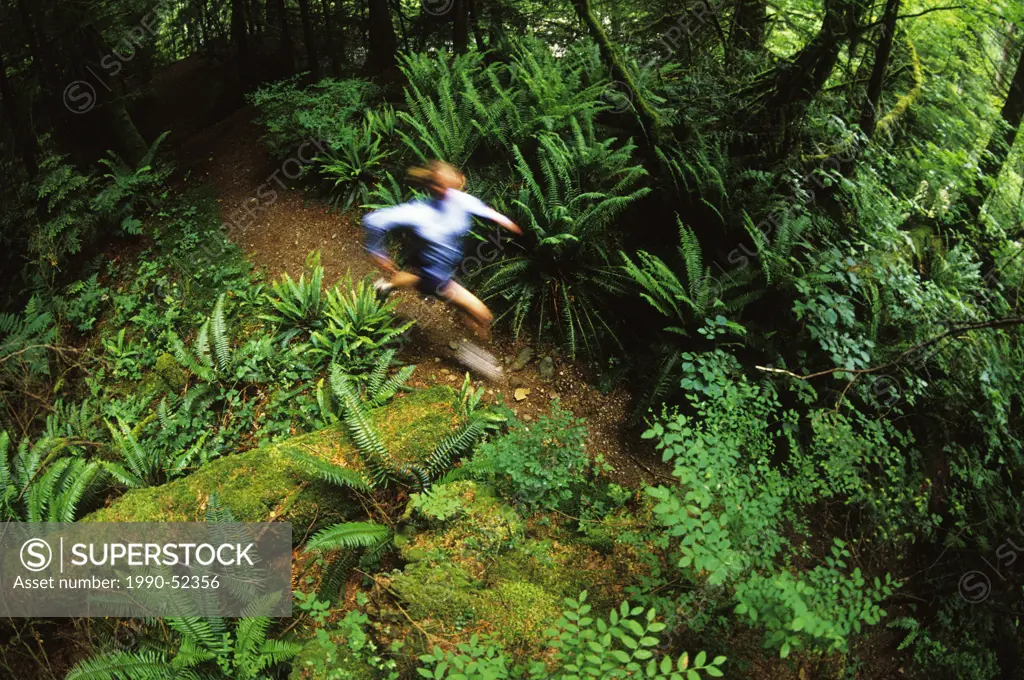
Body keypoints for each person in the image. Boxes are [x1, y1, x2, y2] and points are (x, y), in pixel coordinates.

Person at [362, 160, 522, 377]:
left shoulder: (459, 199)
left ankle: (387, 285)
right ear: (433, 188)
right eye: (442, 186)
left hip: (435, 267)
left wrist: (506, 222)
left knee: (415, 278)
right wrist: (377, 252)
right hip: (436, 277)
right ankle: (471, 354)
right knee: (482, 315)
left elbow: (483, 209)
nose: (449, 189)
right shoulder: (418, 211)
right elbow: (373, 220)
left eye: (450, 184)